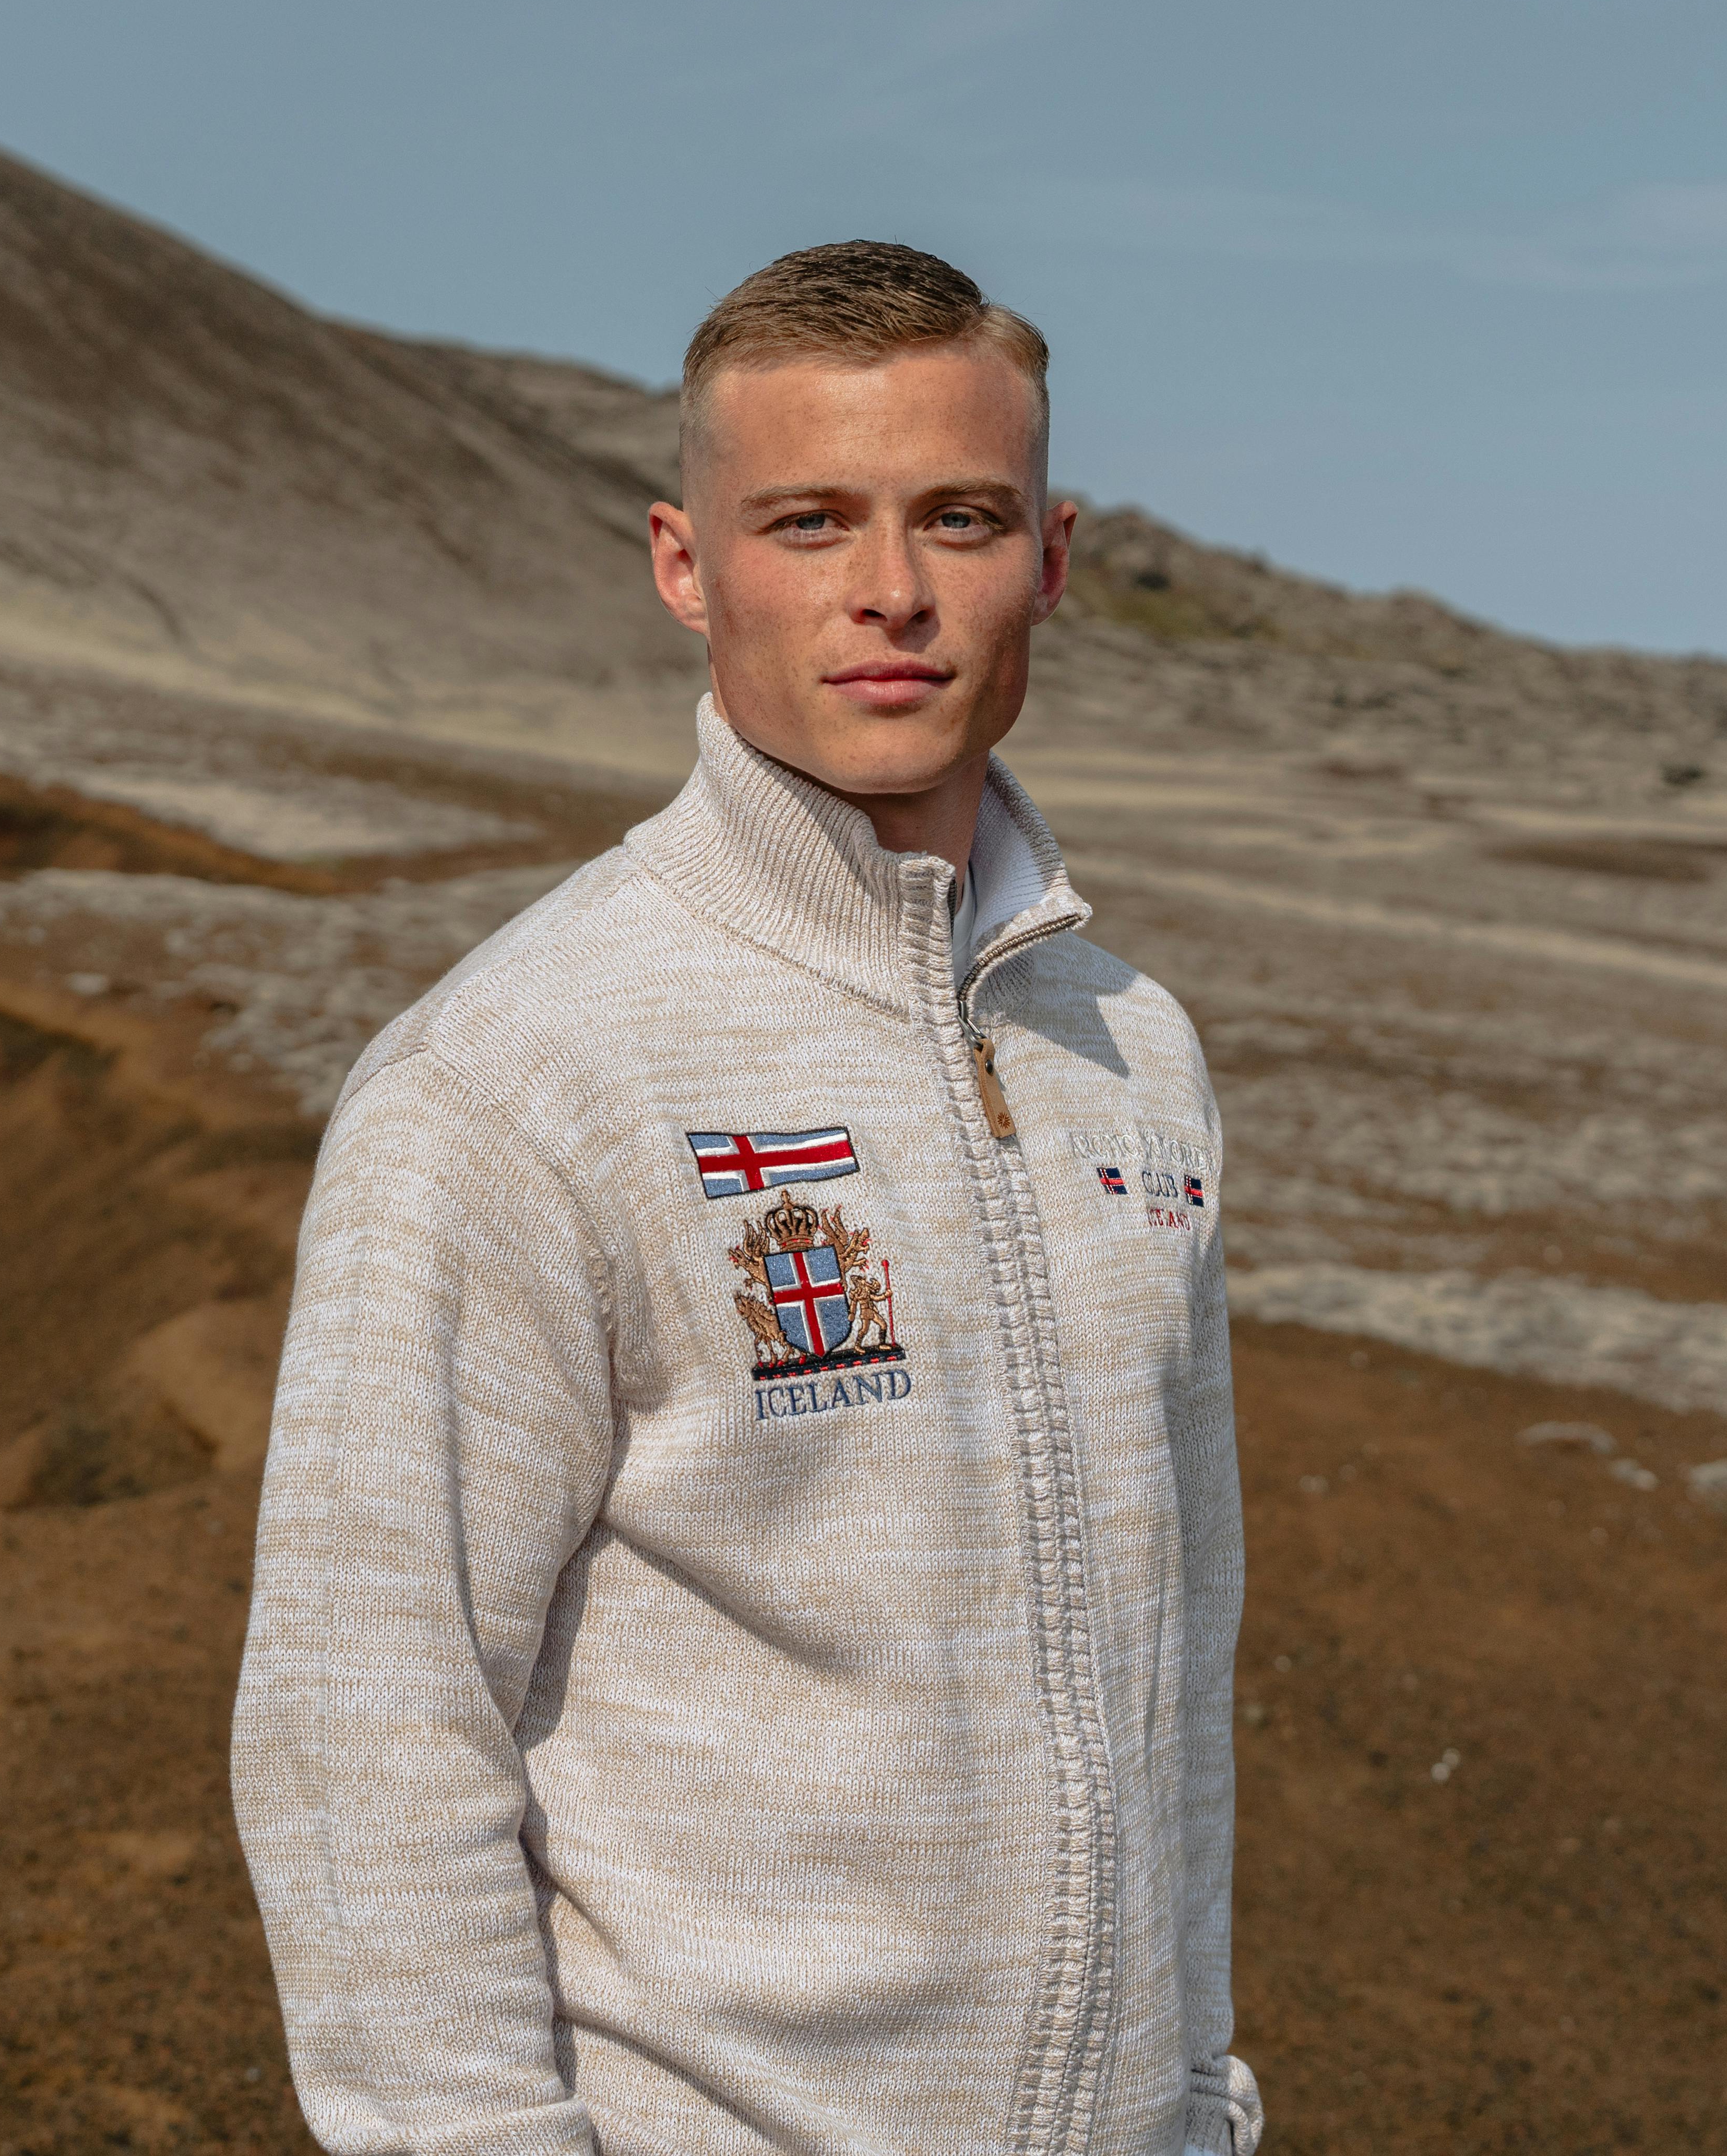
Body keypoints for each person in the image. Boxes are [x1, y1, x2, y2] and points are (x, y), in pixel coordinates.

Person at [232, 242, 1259, 2156]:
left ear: (1049, 555)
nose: (892, 591)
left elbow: (1176, 1661)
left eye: (959, 517)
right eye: (809, 521)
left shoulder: (1135, 1051)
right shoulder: (513, 1077)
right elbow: (363, 1728)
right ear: (684, 564)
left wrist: (1193, 2101)